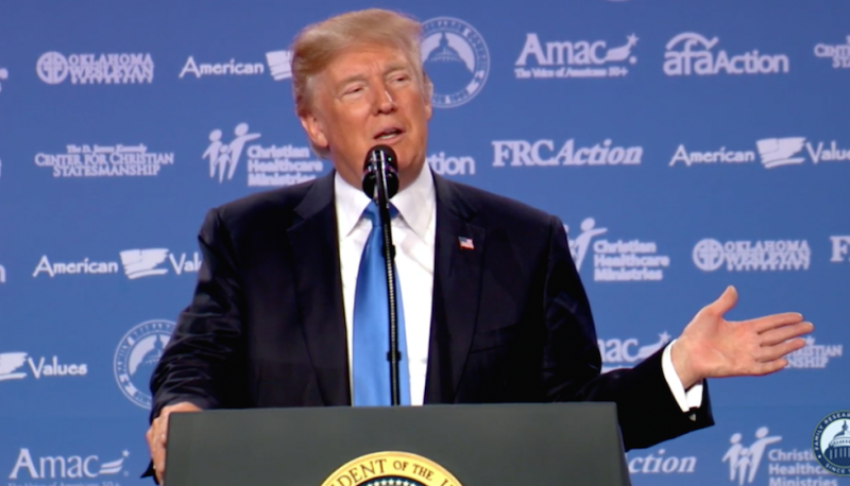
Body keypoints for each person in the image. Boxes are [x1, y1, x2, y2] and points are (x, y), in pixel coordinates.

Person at [144, 9, 813, 484]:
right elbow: (199, 357)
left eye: (400, 79)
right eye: (355, 89)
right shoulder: (249, 236)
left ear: (428, 98)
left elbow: (571, 418)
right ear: (314, 123)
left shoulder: (523, 241)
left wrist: (678, 368)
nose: (384, 102)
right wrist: (183, 413)